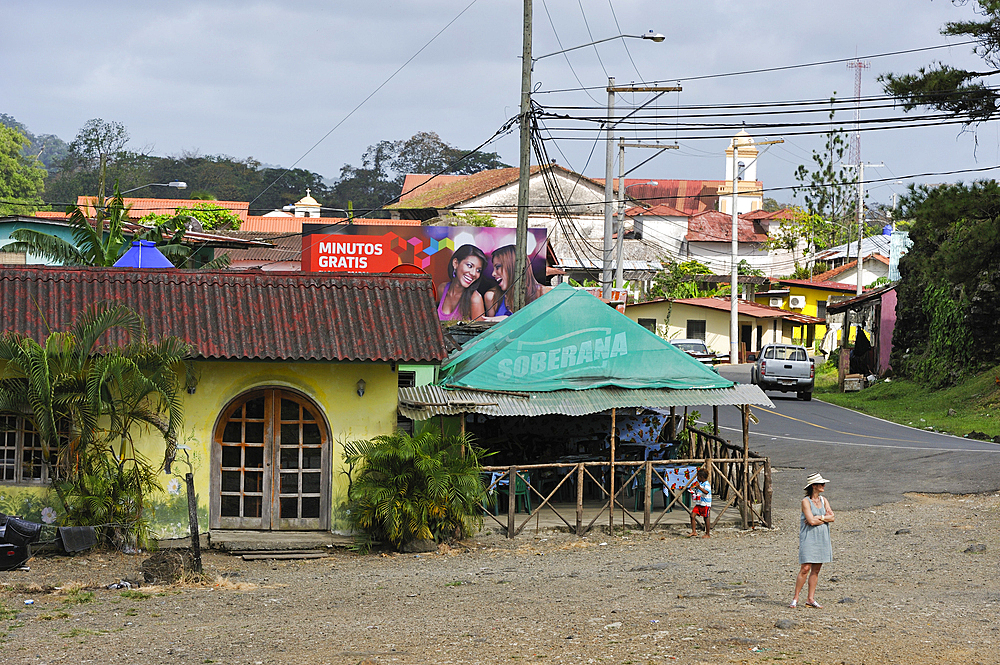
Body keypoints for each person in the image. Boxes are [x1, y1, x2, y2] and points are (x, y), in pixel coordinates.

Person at [790, 472, 835, 608]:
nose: (824, 486)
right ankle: (796, 597)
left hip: (822, 537)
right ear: (813, 486)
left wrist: (819, 518)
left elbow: (832, 517)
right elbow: (810, 520)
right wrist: (823, 518)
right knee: (805, 567)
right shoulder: (805, 501)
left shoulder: (824, 500)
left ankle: (810, 598)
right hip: (809, 537)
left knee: (816, 569)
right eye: (821, 484)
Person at [484, 245, 549, 316]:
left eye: (498, 267)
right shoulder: (492, 297)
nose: (493, 274)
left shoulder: (543, 293)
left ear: (513, 266)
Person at [437, 245, 487, 321]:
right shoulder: (442, 289)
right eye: (469, 266)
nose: (473, 273)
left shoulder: (475, 299)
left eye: (478, 270)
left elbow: (481, 332)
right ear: (455, 263)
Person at [687, 467, 711, 538]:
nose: (697, 478)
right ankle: (694, 531)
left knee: (706, 517)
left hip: (706, 504)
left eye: (698, 476)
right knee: (692, 515)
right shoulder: (700, 483)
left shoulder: (706, 484)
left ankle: (708, 534)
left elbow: (706, 492)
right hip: (699, 503)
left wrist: (699, 487)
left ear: (702, 477)